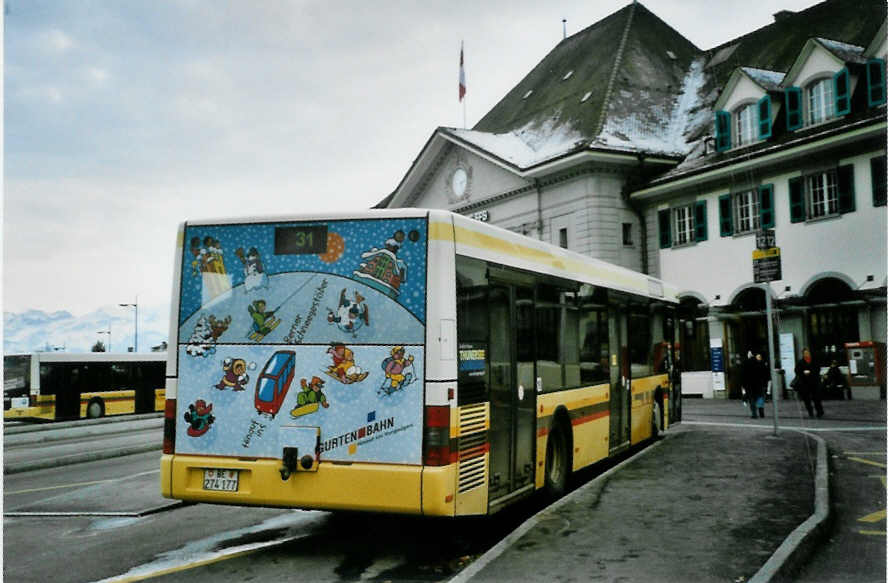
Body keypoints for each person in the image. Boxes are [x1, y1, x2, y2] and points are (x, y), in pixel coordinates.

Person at [795, 348, 824, 418]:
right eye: (805, 353)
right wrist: (803, 373)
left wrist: (811, 372)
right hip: (805, 383)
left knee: (816, 398)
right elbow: (797, 371)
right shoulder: (800, 362)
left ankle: (819, 412)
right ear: (803, 354)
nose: (806, 354)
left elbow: (818, 369)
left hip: (814, 382)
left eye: (807, 353)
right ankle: (810, 412)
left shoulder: (814, 361)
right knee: (806, 399)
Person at [742, 350, 768, 419]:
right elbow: (765, 373)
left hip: (749, 385)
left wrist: (743, 385)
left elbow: (743, 375)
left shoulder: (746, 363)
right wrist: (765, 383)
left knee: (752, 399)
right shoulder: (760, 362)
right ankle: (761, 412)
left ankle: (754, 414)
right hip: (759, 384)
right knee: (760, 397)